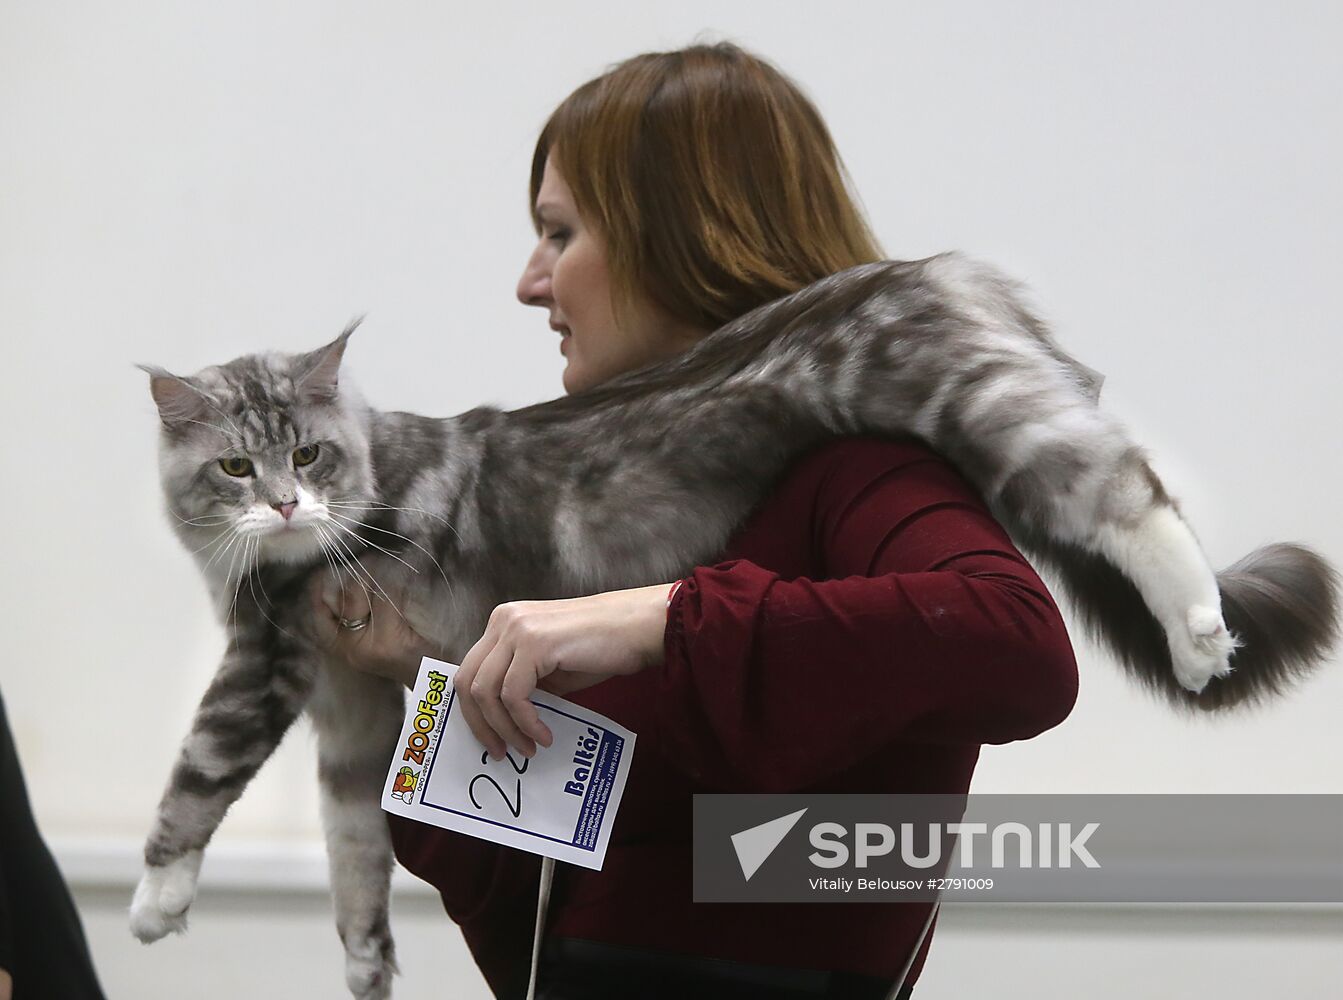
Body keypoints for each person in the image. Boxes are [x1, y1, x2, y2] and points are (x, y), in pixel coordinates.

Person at [312, 42, 1079, 1000]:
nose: (529, 282)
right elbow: (568, 919)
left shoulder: (854, 462)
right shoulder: (621, 503)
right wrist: (419, 676)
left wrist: (658, 620)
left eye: (559, 234)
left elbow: (1017, 645)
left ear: (675, 239)